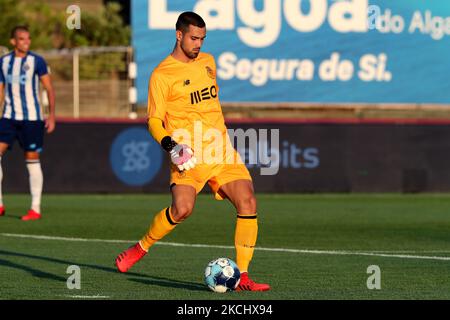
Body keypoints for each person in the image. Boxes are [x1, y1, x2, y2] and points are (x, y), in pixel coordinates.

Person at [115, 12, 270, 291]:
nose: (198, 44)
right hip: (188, 157)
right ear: (179, 35)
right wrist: (171, 146)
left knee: (248, 202)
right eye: (194, 38)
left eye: (202, 38)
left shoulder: (208, 63)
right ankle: (142, 247)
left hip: (221, 151)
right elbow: (153, 121)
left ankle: (243, 276)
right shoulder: (162, 75)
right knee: (182, 209)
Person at [0, 26, 56, 220]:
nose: (26, 42)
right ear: (13, 42)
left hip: (32, 119)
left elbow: (49, 88)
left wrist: (51, 115)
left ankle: (35, 208)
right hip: (8, 117)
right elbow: (1, 90)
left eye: (28, 39)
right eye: (22, 39)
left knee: (32, 161)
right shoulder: (4, 62)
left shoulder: (37, 61)